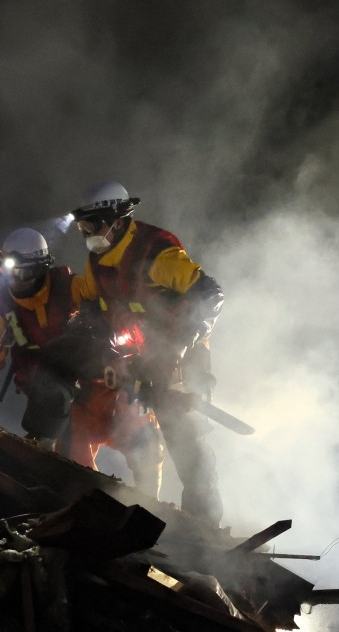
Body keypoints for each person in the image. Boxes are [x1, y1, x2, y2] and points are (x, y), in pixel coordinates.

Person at [24, 181, 225, 524]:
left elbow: (210, 295)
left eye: (93, 224)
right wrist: (106, 354)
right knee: (58, 356)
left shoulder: (155, 254)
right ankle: (39, 444)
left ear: (118, 221)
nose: (87, 233)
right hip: (131, 349)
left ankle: (204, 520)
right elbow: (90, 306)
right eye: (83, 226)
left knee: (178, 422)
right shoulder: (98, 260)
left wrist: (175, 351)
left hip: (174, 348)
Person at [0, 228, 164, 497]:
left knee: (144, 444)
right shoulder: (3, 314)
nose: (16, 281)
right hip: (65, 408)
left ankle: (151, 509)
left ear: (41, 268)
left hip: (108, 389)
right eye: (9, 272)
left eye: (24, 273)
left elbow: (119, 318)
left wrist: (135, 362)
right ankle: (79, 513)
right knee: (72, 474)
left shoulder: (75, 289)